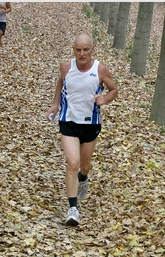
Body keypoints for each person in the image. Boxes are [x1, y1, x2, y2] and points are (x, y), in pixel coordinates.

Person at [46, 33, 118, 226]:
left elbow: (113, 90)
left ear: (92, 49)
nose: (82, 53)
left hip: (91, 123)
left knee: (84, 166)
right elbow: (61, 83)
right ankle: (72, 209)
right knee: (72, 162)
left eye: (86, 49)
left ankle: (83, 178)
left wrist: (105, 99)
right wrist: (55, 105)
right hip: (68, 120)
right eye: (78, 50)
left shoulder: (100, 69)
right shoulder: (66, 67)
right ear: (73, 50)